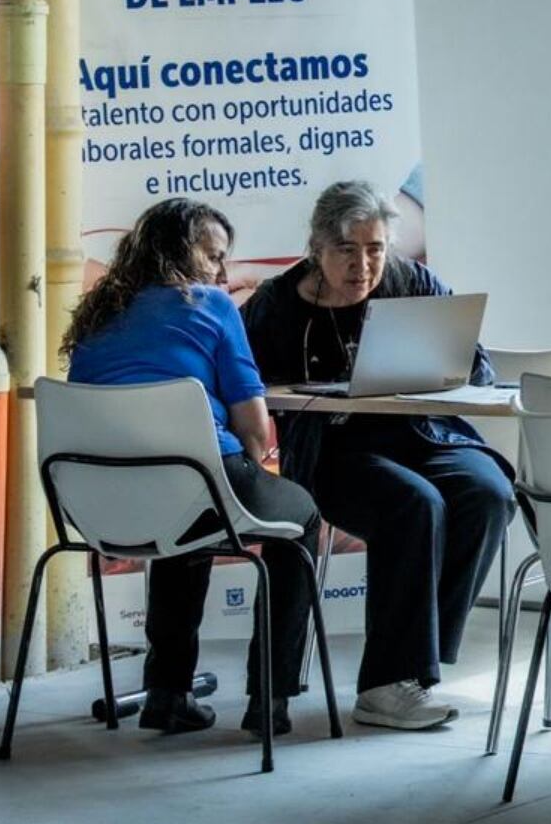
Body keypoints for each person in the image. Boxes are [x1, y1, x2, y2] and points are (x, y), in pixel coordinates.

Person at [241, 180, 512, 731]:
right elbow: (243, 380)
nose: (363, 265)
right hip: (333, 450)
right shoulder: (277, 303)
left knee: (489, 492)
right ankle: (386, 684)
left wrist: (445, 364)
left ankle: (412, 664)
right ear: (317, 247)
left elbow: (477, 366)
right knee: (413, 505)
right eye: (347, 250)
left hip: (423, 436)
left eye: (374, 249)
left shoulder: (412, 281)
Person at [64, 198, 321, 737]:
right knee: (298, 518)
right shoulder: (210, 304)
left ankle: (167, 693)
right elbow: (255, 428)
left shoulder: (98, 311)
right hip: (193, 483)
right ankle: (268, 700)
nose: (221, 273)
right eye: (212, 256)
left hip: (98, 502)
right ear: (177, 252)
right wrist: (252, 473)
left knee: (188, 518)